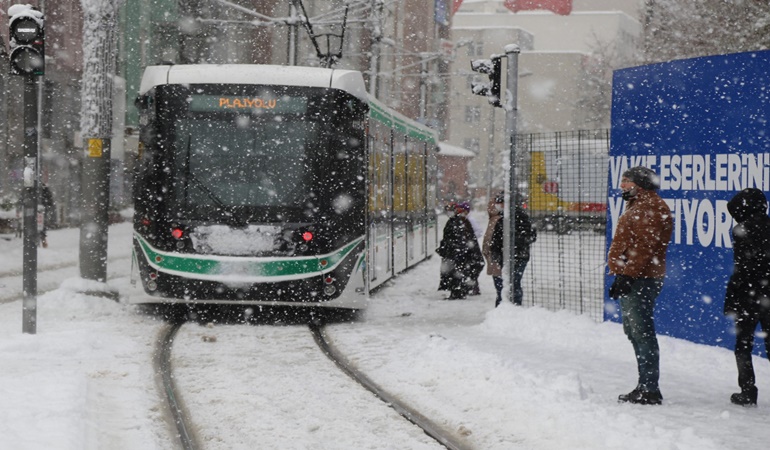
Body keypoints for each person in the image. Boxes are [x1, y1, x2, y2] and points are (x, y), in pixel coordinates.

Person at [607, 166, 673, 405]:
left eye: (626, 181)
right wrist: (623, 274)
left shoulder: (650, 207)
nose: (622, 185)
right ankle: (645, 385)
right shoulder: (640, 205)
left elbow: (644, 246)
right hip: (636, 276)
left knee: (641, 332)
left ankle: (649, 388)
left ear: (640, 184)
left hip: (642, 279)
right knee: (634, 331)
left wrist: (628, 275)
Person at [724, 188, 770, 406]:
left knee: (743, 344)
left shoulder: (742, 230)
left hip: (748, 297)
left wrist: (731, 298)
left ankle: (748, 390)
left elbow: (742, 269)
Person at [484, 193, 536, 307]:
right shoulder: (503, 217)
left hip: (515, 257)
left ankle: (510, 306)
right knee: (508, 284)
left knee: (511, 284)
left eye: (499, 203)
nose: (497, 205)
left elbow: (530, 236)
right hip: (507, 256)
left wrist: (510, 245)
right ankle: (507, 306)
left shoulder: (517, 217)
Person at [437, 201, 484, 299]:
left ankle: (458, 292)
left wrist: (451, 248)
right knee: (460, 271)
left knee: (457, 272)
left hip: (457, 252)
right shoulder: (459, 221)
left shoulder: (459, 221)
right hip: (459, 252)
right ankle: (462, 290)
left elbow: (457, 238)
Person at [39, 184, 55, 248]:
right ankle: (43, 239)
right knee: (42, 224)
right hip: (43, 209)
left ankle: (42, 239)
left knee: (41, 224)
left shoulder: (33, 189)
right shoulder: (45, 189)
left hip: (39, 209)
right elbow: (50, 201)